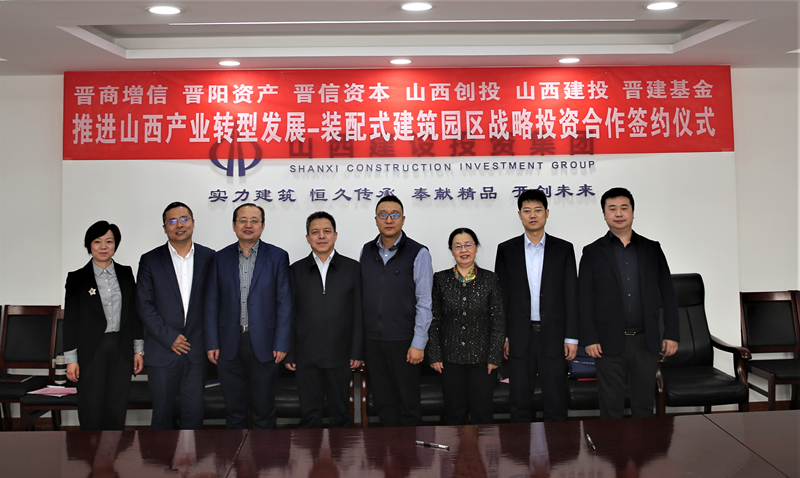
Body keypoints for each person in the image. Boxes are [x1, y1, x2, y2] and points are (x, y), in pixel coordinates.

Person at [578, 187, 680, 419]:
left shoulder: (651, 248)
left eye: (624, 208)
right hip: (608, 342)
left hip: (645, 340)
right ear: (604, 214)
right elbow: (584, 299)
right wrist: (590, 338)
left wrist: (672, 333)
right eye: (612, 209)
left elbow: (668, 293)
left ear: (633, 212)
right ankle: (612, 445)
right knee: (610, 406)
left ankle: (642, 445)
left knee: (644, 405)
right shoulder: (592, 252)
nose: (618, 214)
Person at [205, 203, 292, 429]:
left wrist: (281, 343)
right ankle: (235, 451)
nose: (248, 225)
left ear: (262, 226)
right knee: (234, 411)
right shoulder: (219, 258)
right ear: (234, 225)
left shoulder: (277, 257)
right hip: (229, 344)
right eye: (243, 220)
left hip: (265, 344)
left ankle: (265, 452)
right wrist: (212, 342)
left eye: (254, 220)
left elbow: (284, 303)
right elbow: (212, 303)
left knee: (264, 409)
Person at [494, 189, 579, 422]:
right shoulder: (506, 250)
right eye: (527, 211)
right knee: (519, 402)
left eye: (538, 210)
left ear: (547, 213)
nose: (533, 215)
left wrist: (571, 337)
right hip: (519, 337)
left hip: (554, 336)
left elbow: (571, 294)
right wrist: (504, 336)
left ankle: (558, 446)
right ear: (519, 215)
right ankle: (520, 446)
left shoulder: (563, 249)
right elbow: (501, 298)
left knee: (556, 402)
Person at [136, 202, 215, 430]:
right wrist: (169, 337)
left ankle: (192, 456)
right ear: (164, 227)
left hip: (196, 349)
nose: (179, 225)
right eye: (172, 221)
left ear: (193, 223)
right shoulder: (150, 260)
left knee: (194, 414)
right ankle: (162, 457)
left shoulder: (210, 257)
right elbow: (144, 304)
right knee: (162, 415)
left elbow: (215, 303)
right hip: (162, 350)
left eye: (183, 219)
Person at [360, 195, 433, 427]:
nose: (388, 219)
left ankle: (410, 451)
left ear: (403, 219)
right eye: (383, 214)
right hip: (373, 341)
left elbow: (424, 301)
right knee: (383, 404)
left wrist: (419, 342)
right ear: (376, 219)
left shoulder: (418, 252)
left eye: (394, 215)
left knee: (408, 405)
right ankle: (387, 449)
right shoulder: (366, 251)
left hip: (405, 342)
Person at [64, 220, 144, 430]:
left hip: (121, 347)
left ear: (115, 245)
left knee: (116, 406)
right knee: (91, 406)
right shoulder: (77, 278)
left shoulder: (125, 273)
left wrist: (138, 350)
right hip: (91, 350)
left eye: (109, 241)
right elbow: (70, 320)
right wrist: (71, 360)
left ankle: (115, 449)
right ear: (89, 245)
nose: (103, 247)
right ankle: (90, 449)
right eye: (97, 241)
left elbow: (133, 314)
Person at [285, 211, 362, 428]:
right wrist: (290, 352)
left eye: (327, 231)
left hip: (340, 354)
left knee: (341, 416)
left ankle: (341, 451)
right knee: (310, 417)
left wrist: (356, 351)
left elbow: (358, 312)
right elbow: (289, 314)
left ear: (335, 235)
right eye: (315, 232)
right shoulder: (295, 270)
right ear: (307, 238)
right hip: (306, 355)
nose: (321, 236)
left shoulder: (353, 268)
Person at [426, 227, 505, 425]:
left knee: (482, 413)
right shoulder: (440, 279)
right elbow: (434, 319)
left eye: (468, 245)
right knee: (454, 413)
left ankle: (483, 448)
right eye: (458, 246)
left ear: (476, 248)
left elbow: (498, 320)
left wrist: (494, 356)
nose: (464, 250)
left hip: (482, 361)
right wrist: (435, 354)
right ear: (451, 250)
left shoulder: (490, 279)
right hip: (449, 360)